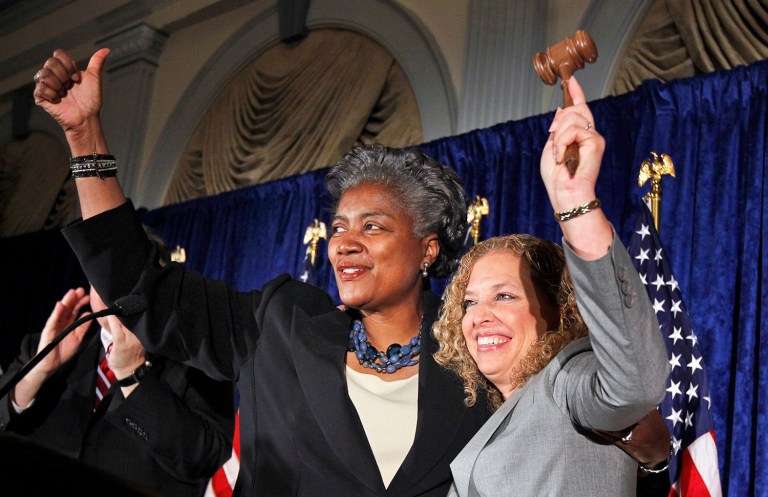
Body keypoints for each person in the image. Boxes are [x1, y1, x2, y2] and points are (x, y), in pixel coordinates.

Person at [32, 48, 491, 496]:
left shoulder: (477, 353)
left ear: (427, 249)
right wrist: (84, 136)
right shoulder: (279, 324)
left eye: (373, 226)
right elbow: (138, 285)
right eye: (338, 227)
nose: (344, 243)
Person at [432, 77, 670, 496]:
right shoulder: (494, 415)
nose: (479, 316)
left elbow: (635, 382)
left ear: (558, 308)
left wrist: (574, 200)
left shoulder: (568, 382)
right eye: (469, 302)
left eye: (504, 295)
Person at [0, 238, 235, 497]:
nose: (111, 290)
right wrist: (39, 370)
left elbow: (204, 458)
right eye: (100, 276)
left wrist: (133, 376)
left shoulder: (199, 360)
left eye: (126, 278)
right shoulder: (48, 344)